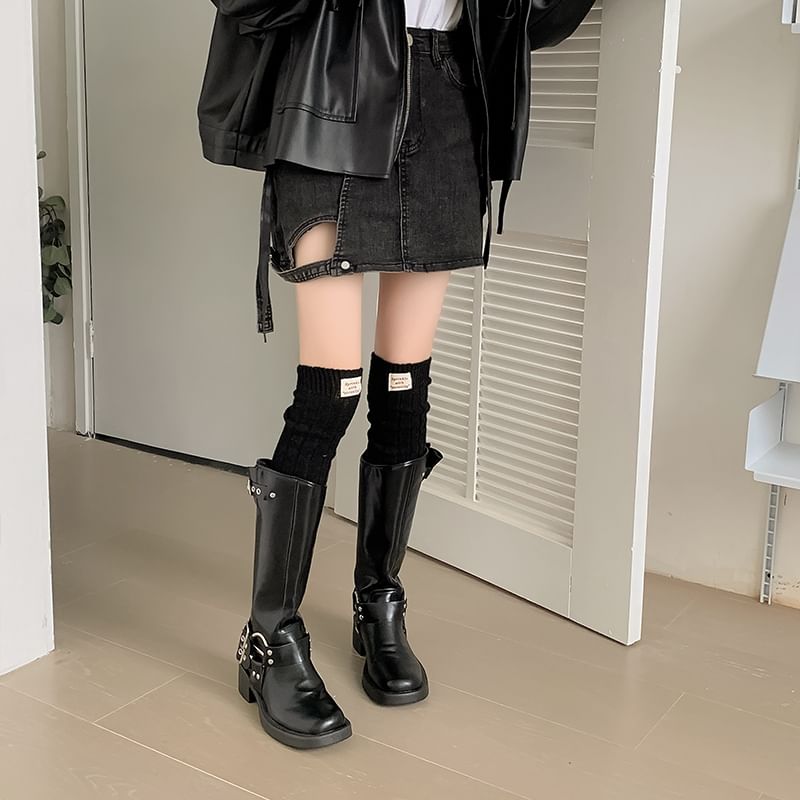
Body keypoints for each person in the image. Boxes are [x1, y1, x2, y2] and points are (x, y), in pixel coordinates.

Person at [198, 0, 594, 750]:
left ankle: (378, 602)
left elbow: (537, 18)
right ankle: (270, 639)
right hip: (333, 92)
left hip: (449, 95)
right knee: (331, 390)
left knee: (405, 385)